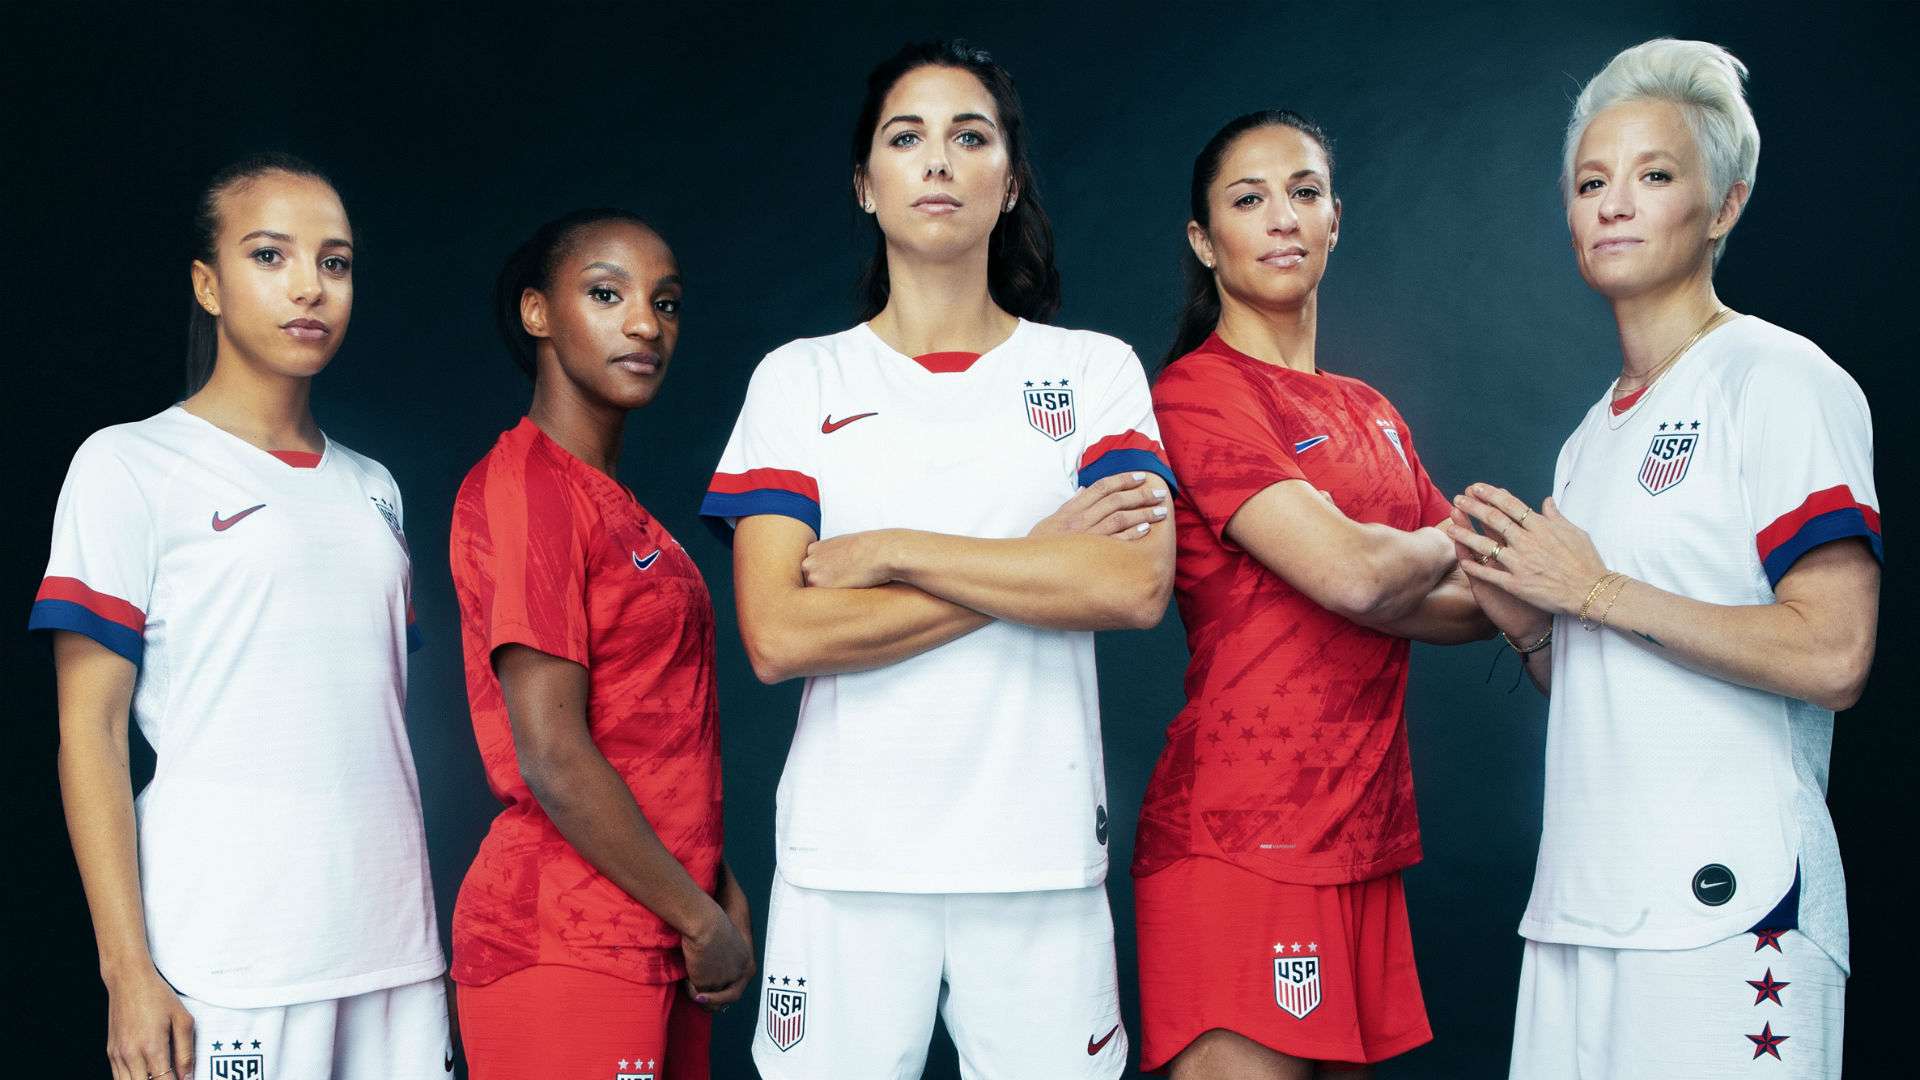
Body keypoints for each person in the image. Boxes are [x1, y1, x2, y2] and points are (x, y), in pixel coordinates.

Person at [701, 39, 1176, 1080]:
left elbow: (1134, 584)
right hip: (848, 865)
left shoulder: (1091, 371)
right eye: (906, 138)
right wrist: (1035, 565)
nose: (940, 162)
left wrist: (891, 553)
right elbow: (780, 635)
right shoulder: (800, 380)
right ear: (866, 186)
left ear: (1008, 181)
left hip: (1041, 859)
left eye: (972, 137)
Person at [1441, 39, 1879, 1079]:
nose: (1614, 203)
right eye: (1592, 181)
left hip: (1729, 912)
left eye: (1654, 175)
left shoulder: (1777, 379)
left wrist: (1593, 586)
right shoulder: (1590, 440)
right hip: (1585, 907)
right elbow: (1606, 687)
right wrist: (1534, 623)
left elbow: (1834, 655)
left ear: (1723, 205)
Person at [30, 153, 447, 1080]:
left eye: (334, 263)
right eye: (271, 256)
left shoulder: (374, 489)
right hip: (230, 955)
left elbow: (357, 724)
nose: (309, 287)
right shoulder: (128, 465)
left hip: (393, 950)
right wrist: (127, 972)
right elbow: (87, 733)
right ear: (207, 285)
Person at [1134, 110, 1491, 1078]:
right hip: (1240, 836)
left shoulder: (1371, 412)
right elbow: (1358, 576)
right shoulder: (1198, 394)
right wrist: (1444, 539)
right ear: (1206, 242)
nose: (1282, 217)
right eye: (1248, 200)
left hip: (1362, 837)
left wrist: (1397, 565)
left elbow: (1466, 605)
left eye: (1303, 192)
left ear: (1335, 218)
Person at [448, 210, 751, 1080]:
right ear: (539, 314)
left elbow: (647, 724)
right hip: (563, 937)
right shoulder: (530, 488)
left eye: (666, 302)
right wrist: (701, 918)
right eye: (607, 294)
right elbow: (552, 753)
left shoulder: (611, 501)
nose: (646, 324)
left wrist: (709, 882)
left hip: (655, 927)